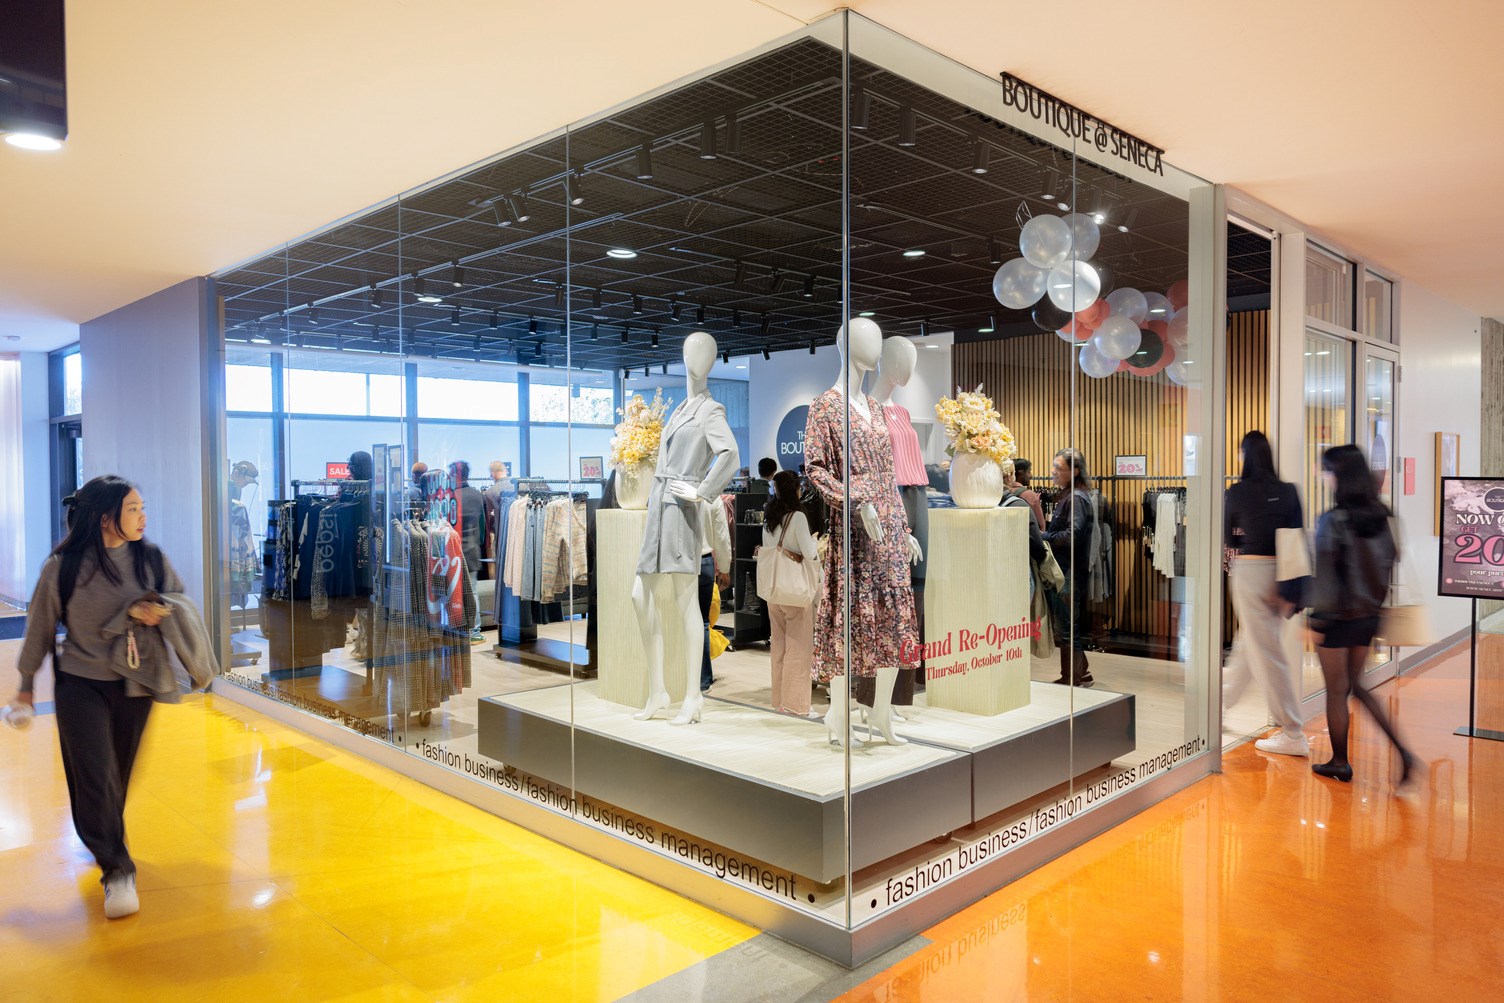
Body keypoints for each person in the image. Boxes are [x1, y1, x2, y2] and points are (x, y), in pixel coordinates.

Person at [13, 475, 212, 919]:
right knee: (95, 772)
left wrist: (157, 610)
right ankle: (117, 869)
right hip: (79, 683)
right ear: (106, 519)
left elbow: (178, 599)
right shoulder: (62, 568)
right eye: (133, 509)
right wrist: (26, 684)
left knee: (115, 777)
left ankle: (101, 835)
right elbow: (40, 626)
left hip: (135, 683)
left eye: (142, 507)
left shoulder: (150, 558)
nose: (144, 516)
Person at [1308, 444, 1414, 785]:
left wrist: (1316, 621)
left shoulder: (1332, 519)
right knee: (1358, 687)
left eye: (1327, 470)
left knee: (1336, 691)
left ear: (1339, 475)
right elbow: (1392, 558)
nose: (1325, 477)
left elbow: (1324, 575)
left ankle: (1340, 761)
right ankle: (1403, 752)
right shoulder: (1385, 515)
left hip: (1337, 618)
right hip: (1369, 616)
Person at [1223, 431, 1309, 756]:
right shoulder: (1288, 491)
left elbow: (1228, 536)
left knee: (1267, 652)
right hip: (1281, 574)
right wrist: (1289, 587)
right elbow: (1297, 538)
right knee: (1250, 644)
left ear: (1245, 456)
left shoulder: (1237, 491)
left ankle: (1292, 731)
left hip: (1249, 573)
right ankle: (1223, 704)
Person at [762, 470, 819, 716]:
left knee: (780, 648)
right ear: (795, 490)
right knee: (799, 648)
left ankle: (779, 700)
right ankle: (795, 705)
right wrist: (816, 542)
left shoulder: (769, 518)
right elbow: (809, 553)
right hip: (795, 591)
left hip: (774, 590)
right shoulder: (797, 517)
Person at [1043, 448, 1094, 688]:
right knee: (1066, 627)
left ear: (1074, 471)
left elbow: (1073, 535)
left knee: (1067, 628)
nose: (1053, 472)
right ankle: (1078, 674)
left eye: (1058, 468)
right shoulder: (1071, 495)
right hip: (1067, 569)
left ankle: (1073, 678)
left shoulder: (1076, 498)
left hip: (1069, 571)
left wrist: (1044, 536)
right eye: (1053, 467)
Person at [696, 496, 732, 691]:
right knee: (701, 622)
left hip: (677, 563)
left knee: (677, 619)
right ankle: (703, 678)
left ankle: (679, 673)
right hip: (704, 561)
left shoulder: (672, 489)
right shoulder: (712, 497)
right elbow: (721, 535)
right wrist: (725, 568)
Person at [450, 461, 488, 643]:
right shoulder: (477, 495)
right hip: (472, 549)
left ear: (456, 474)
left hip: (452, 551)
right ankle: (474, 631)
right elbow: (482, 525)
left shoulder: (451, 496)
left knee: (452, 591)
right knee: (472, 591)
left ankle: (456, 628)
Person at [1012, 458, 1046, 531]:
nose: (1031, 476)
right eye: (1029, 472)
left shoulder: (1002, 492)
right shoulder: (1029, 495)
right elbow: (1041, 526)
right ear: (1021, 473)